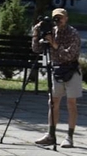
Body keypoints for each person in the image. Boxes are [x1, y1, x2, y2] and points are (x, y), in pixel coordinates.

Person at [33, 8, 81, 148]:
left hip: (71, 70)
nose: (58, 21)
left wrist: (54, 43)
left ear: (66, 18)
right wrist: (36, 32)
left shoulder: (73, 33)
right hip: (57, 69)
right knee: (53, 102)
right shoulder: (51, 31)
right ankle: (50, 134)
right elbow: (36, 49)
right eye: (56, 18)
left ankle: (69, 136)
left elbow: (70, 55)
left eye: (61, 18)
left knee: (71, 103)